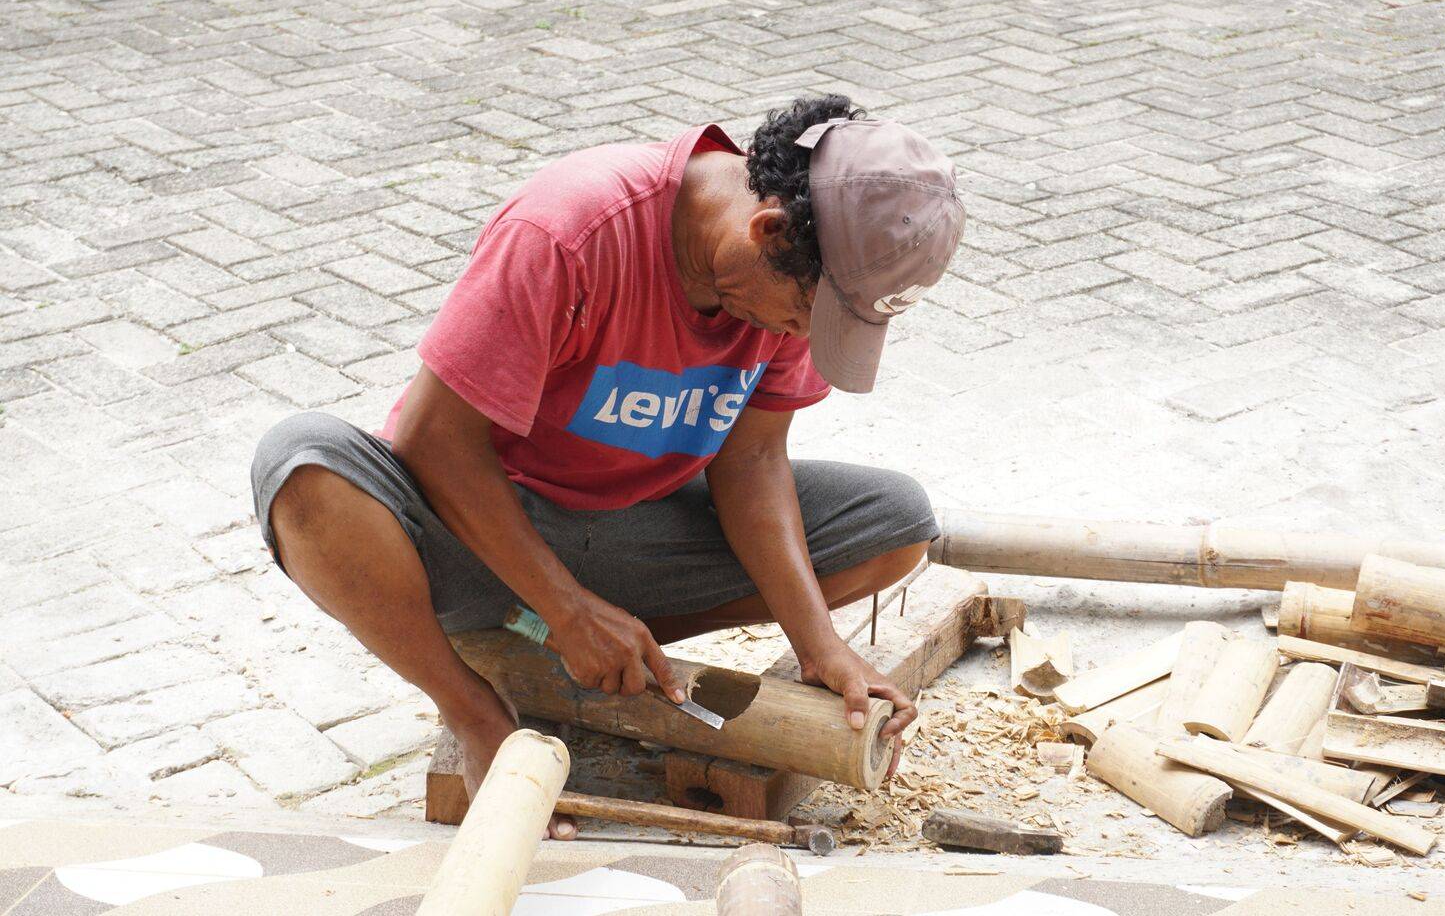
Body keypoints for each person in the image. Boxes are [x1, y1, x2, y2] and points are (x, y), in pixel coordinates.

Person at [251, 93, 964, 838]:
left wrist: (821, 648)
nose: (802, 335)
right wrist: (565, 608)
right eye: (805, 315)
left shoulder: (790, 272)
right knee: (302, 466)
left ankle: (575, 644)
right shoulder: (569, 231)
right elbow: (432, 441)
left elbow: (752, 461)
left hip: (634, 535)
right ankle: (477, 703)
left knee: (895, 525)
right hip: (482, 530)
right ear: (768, 230)